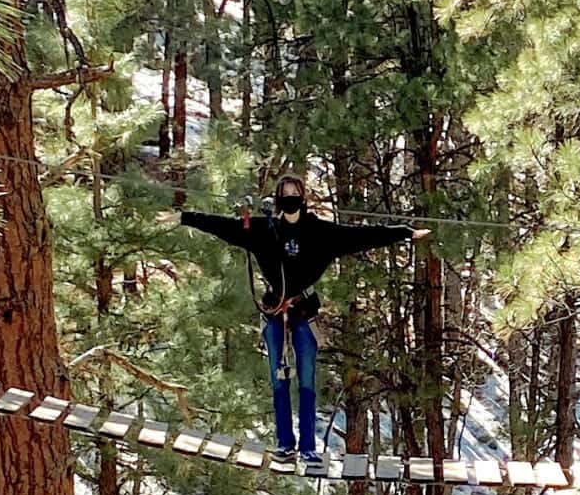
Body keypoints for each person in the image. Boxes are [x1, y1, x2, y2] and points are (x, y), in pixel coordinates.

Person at [181, 173, 428, 463]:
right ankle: (285, 445)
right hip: (275, 314)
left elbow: (361, 236)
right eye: (284, 194)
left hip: (304, 313)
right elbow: (224, 226)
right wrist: (184, 218)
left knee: (307, 383)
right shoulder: (265, 230)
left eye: (294, 193)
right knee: (279, 380)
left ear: (303, 197)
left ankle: (308, 447)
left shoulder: (320, 232)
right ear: (278, 198)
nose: (290, 198)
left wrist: (403, 232)